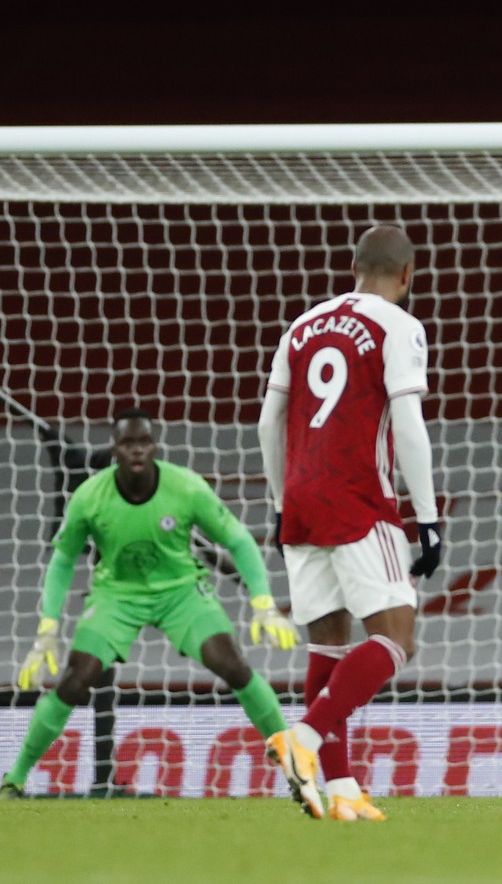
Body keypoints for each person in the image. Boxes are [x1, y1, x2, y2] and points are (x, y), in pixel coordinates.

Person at [1, 409, 298, 799]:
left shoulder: (186, 488)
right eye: (128, 443)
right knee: (76, 679)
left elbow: (239, 540)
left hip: (180, 592)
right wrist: (47, 630)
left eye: (144, 442)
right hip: (117, 595)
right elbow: (61, 560)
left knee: (233, 665)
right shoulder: (90, 497)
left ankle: (295, 767)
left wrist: (264, 603)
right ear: (115, 449)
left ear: (154, 447)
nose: (137, 451)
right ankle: (15, 779)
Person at [257, 223, 444, 820]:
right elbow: (408, 424)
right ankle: (304, 738)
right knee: (396, 639)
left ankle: (340, 792)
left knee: (328, 647)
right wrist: (428, 517)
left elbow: (269, 423)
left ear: (354, 267)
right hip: (360, 499)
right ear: (407, 275)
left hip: (301, 500)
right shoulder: (398, 325)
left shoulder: (303, 324)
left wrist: (282, 500)